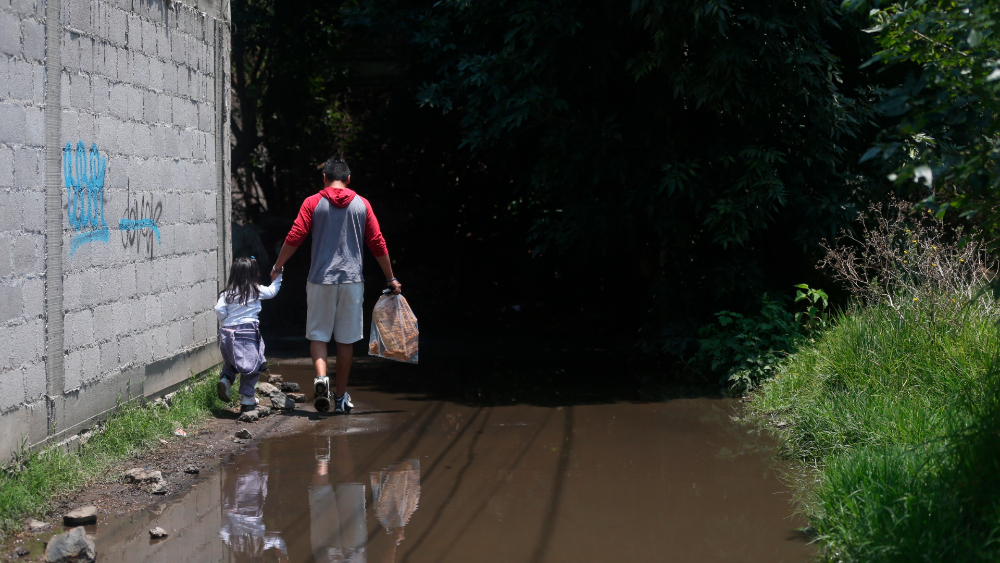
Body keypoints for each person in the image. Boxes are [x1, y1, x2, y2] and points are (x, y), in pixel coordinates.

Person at [271, 157, 401, 413]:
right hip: (352, 281)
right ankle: (340, 397)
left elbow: (295, 235)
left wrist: (277, 267)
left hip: (320, 280)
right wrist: (390, 277)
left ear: (324, 178)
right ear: (349, 179)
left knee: (318, 335)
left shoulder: (312, 202)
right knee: (346, 340)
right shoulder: (362, 204)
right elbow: (377, 242)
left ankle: (322, 381)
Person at [215, 256, 282, 412]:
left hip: (226, 334)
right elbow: (272, 291)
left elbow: (219, 309)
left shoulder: (227, 293)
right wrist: (278, 276)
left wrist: (225, 320)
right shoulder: (255, 289)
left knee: (231, 363)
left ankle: (225, 380)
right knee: (253, 365)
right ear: (253, 273)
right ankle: (247, 397)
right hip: (247, 334)